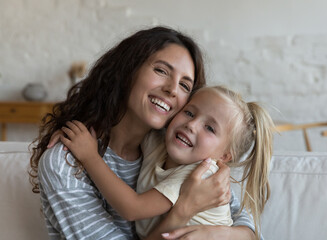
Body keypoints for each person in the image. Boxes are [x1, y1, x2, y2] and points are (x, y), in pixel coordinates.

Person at [29, 26, 257, 240]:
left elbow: (249, 230)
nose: (172, 89)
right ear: (127, 71)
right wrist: (183, 210)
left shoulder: (175, 152)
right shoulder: (66, 162)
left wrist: (219, 234)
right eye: (161, 70)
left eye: (185, 86)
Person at [59, 86, 274, 240]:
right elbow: (125, 123)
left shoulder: (199, 175)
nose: (191, 125)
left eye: (209, 128)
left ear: (225, 156)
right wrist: (78, 128)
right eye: (189, 112)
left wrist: (89, 156)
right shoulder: (161, 144)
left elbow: (132, 208)